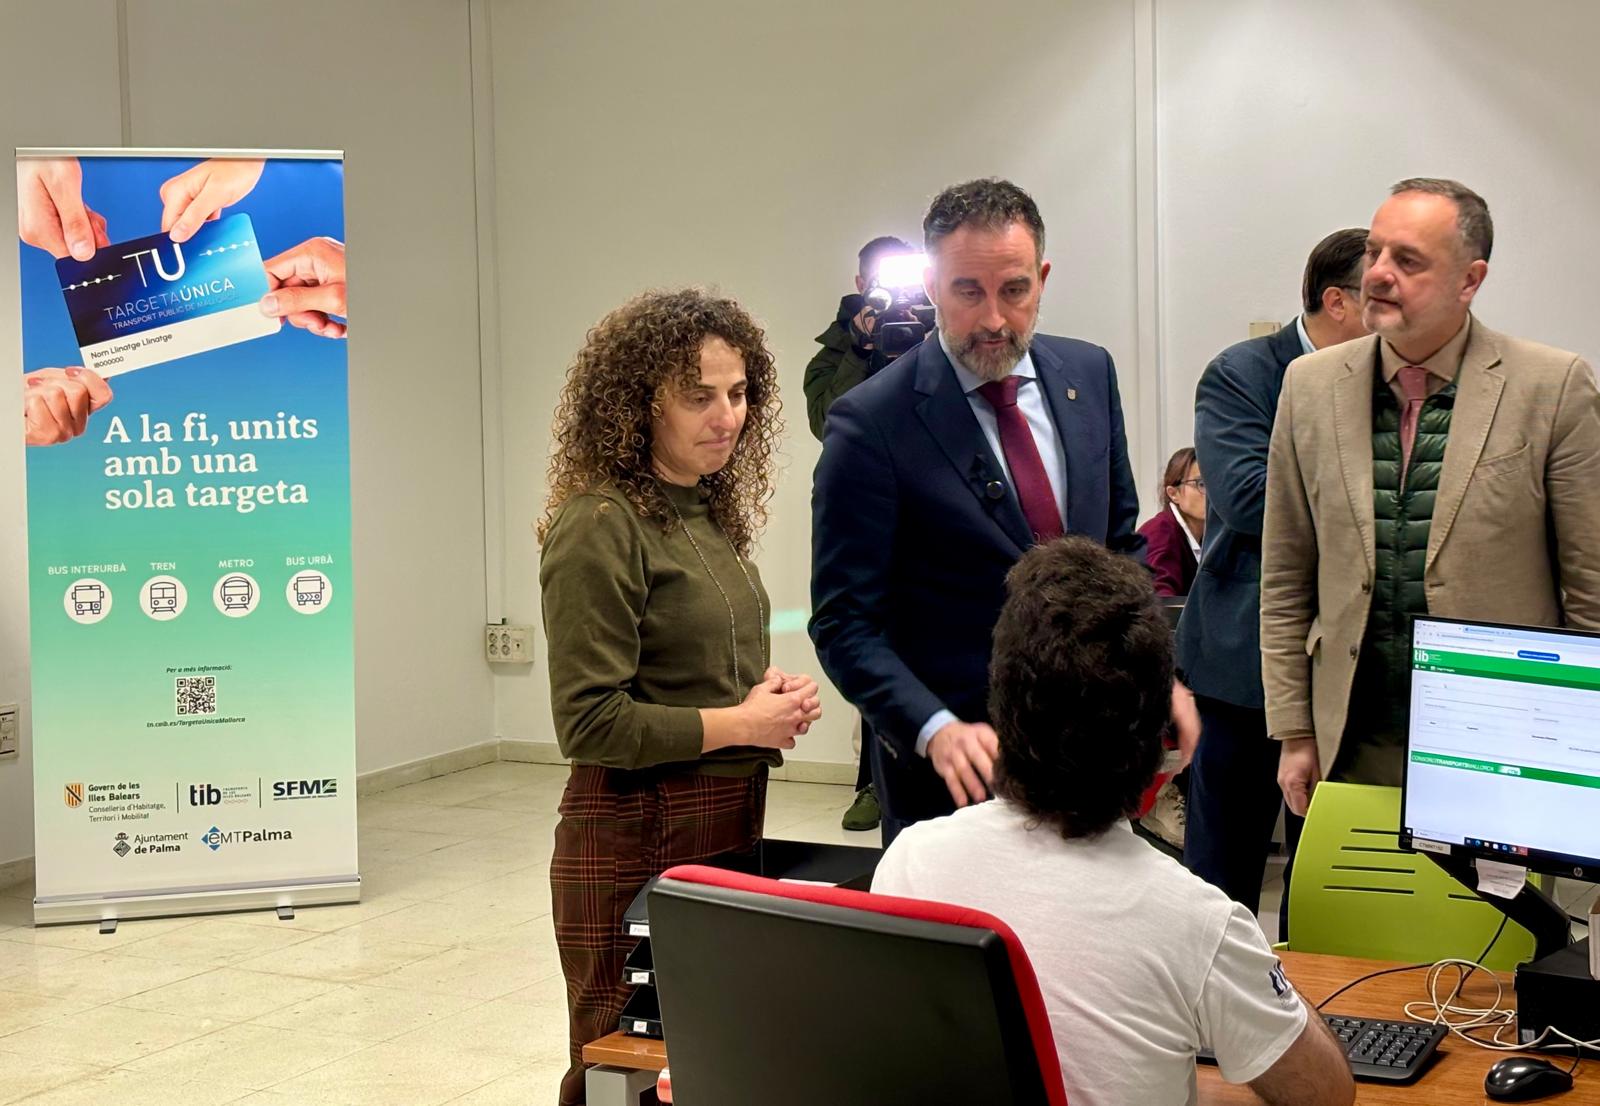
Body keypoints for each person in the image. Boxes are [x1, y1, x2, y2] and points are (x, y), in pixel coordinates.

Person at [873, 537, 1356, 1106]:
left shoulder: (911, 859)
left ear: (1000, 705)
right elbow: (1326, 1094)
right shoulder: (1199, 921)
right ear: (1157, 741)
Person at [810, 177, 1161, 845]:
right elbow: (844, 621)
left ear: (1043, 279)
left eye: (1015, 291)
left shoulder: (1089, 376)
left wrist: (1156, 678)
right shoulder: (870, 423)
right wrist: (931, 728)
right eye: (968, 291)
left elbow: (1121, 551)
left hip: (1089, 755)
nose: (995, 319)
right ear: (933, 286)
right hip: (952, 779)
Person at [538, 289, 823, 1105]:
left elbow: (686, 665)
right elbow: (590, 720)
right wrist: (743, 720)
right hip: (632, 828)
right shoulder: (602, 521)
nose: (726, 415)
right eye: (699, 396)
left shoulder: (700, 511)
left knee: (692, 1060)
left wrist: (762, 695)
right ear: (638, 405)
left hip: (716, 818)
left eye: (738, 393)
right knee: (618, 1065)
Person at [1263, 179, 1600, 817]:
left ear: (1469, 281)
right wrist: (1294, 729)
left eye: (1407, 260)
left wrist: (1580, 754)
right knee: (1353, 911)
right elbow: (1284, 576)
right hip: (1351, 742)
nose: (1378, 275)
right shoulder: (1308, 388)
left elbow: (1591, 590)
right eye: (1375, 252)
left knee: (1487, 918)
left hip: (1501, 744)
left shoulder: (1551, 388)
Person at [1177, 228, 1368, 924]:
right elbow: (1251, 499)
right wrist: (1374, 505)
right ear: (1338, 302)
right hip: (1242, 668)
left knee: (1326, 886)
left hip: (1347, 671)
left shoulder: (1388, 383)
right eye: (1381, 294)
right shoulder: (1244, 373)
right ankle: (1202, 1026)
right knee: (1220, 879)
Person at [803, 233, 917, 833]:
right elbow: (829, 421)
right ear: (858, 285)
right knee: (868, 641)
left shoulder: (941, 329)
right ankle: (871, 781)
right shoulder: (836, 350)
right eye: (879, 280)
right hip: (868, 516)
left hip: (930, 513)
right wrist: (863, 345)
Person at [1139, 446, 1205, 597]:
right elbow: (1161, 601)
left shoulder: (1207, 536)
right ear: (1173, 494)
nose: (1211, 494)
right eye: (1201, 484)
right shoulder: (1161, 532)